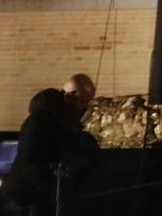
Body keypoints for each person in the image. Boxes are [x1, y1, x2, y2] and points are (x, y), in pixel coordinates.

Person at [9, 74, 100, 215]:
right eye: (83, 102)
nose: (86, 108)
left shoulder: (68, 124)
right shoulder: (37, 123)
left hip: (52, 198)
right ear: (69, 96)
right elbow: (30, 164)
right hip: (33, 201)